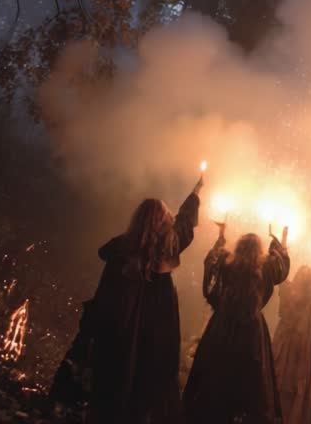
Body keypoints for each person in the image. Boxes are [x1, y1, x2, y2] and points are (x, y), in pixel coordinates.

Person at [59, 174, 203, 423]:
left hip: (118, 332)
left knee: (115, 384)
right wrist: (195, 193)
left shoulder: (121, 250)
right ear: (162, 222)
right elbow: (184, 223)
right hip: (152, 339)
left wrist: (90, 331)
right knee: (142, 387)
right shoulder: (167, 249)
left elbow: (103, 296)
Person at [183, 224, 291, 424]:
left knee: (214, 381)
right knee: (253, 387)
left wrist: (221, 238)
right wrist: (280, 243)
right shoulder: (265, 268)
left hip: (222, 328)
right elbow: (280, 268)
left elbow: (210, 287)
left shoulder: (226, 264)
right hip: (253, 332)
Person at [273, 266, 311, 424]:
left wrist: (285, 243)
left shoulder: (289, 300)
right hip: (303, 365)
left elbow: (282, 277)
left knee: (281, 399)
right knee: (298, 403)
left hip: (283, 363)